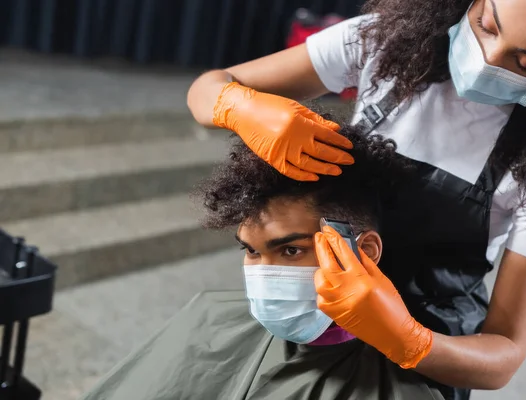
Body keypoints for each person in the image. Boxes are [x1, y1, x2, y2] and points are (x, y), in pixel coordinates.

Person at [186, 1, 526, 399]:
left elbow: (504, 355)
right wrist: (238, 105)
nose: (489, 58)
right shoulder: (381, 44)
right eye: (486, 25)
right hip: (317, 309)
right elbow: (207, 89)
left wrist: (410, 340)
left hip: (434, 346)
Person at [80, 113, 443, 400]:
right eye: (251, 250)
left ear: (364, 251)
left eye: (290, 249)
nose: (265, 276)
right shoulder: (207, 317)